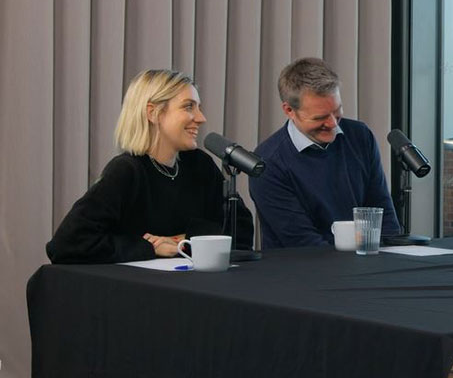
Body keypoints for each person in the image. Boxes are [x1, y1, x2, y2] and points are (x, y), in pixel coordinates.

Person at [46, 70, 254, 264]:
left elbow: (241, 229)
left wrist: (184, 239)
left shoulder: (199, 164)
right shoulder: (127, 171)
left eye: (198, 107)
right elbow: (66, 244)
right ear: (153, 113)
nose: (201, 118)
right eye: (189, 106)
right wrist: (148, 248)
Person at [249, 57, 401, 248]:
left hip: (366, 265)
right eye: (320, 117)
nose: (332, 123)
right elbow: (302, 242)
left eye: (337, 111)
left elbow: (382, 214)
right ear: (289, 110)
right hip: (302, 271)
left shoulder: (360, 136)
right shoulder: (267, 163)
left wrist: (390, 258)